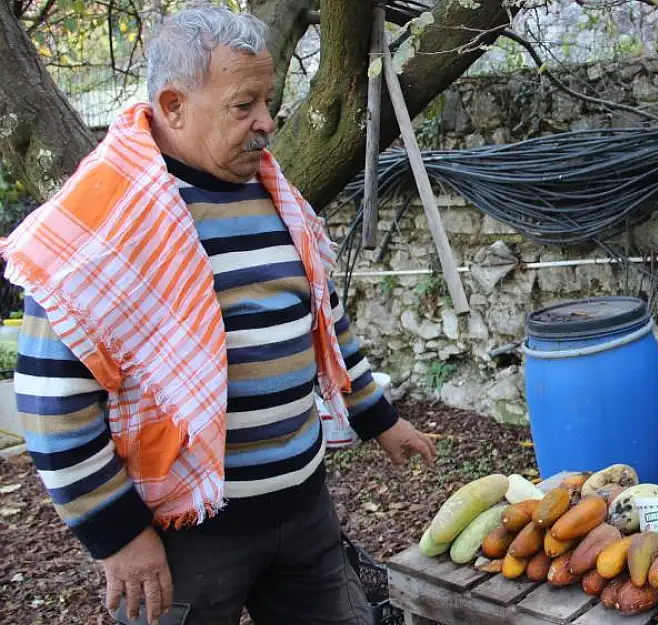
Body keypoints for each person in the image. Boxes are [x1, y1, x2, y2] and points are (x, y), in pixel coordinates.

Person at [3, 3, 437, 624]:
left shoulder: (272, 191)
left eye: (267, 100)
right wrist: (119, 537)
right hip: (184, 535)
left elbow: (321, 318)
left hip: (303, 508)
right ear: (174, 106)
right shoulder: (97, 225)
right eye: (244, 105)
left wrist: (378, 417)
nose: (266, 122)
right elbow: (51, 405)